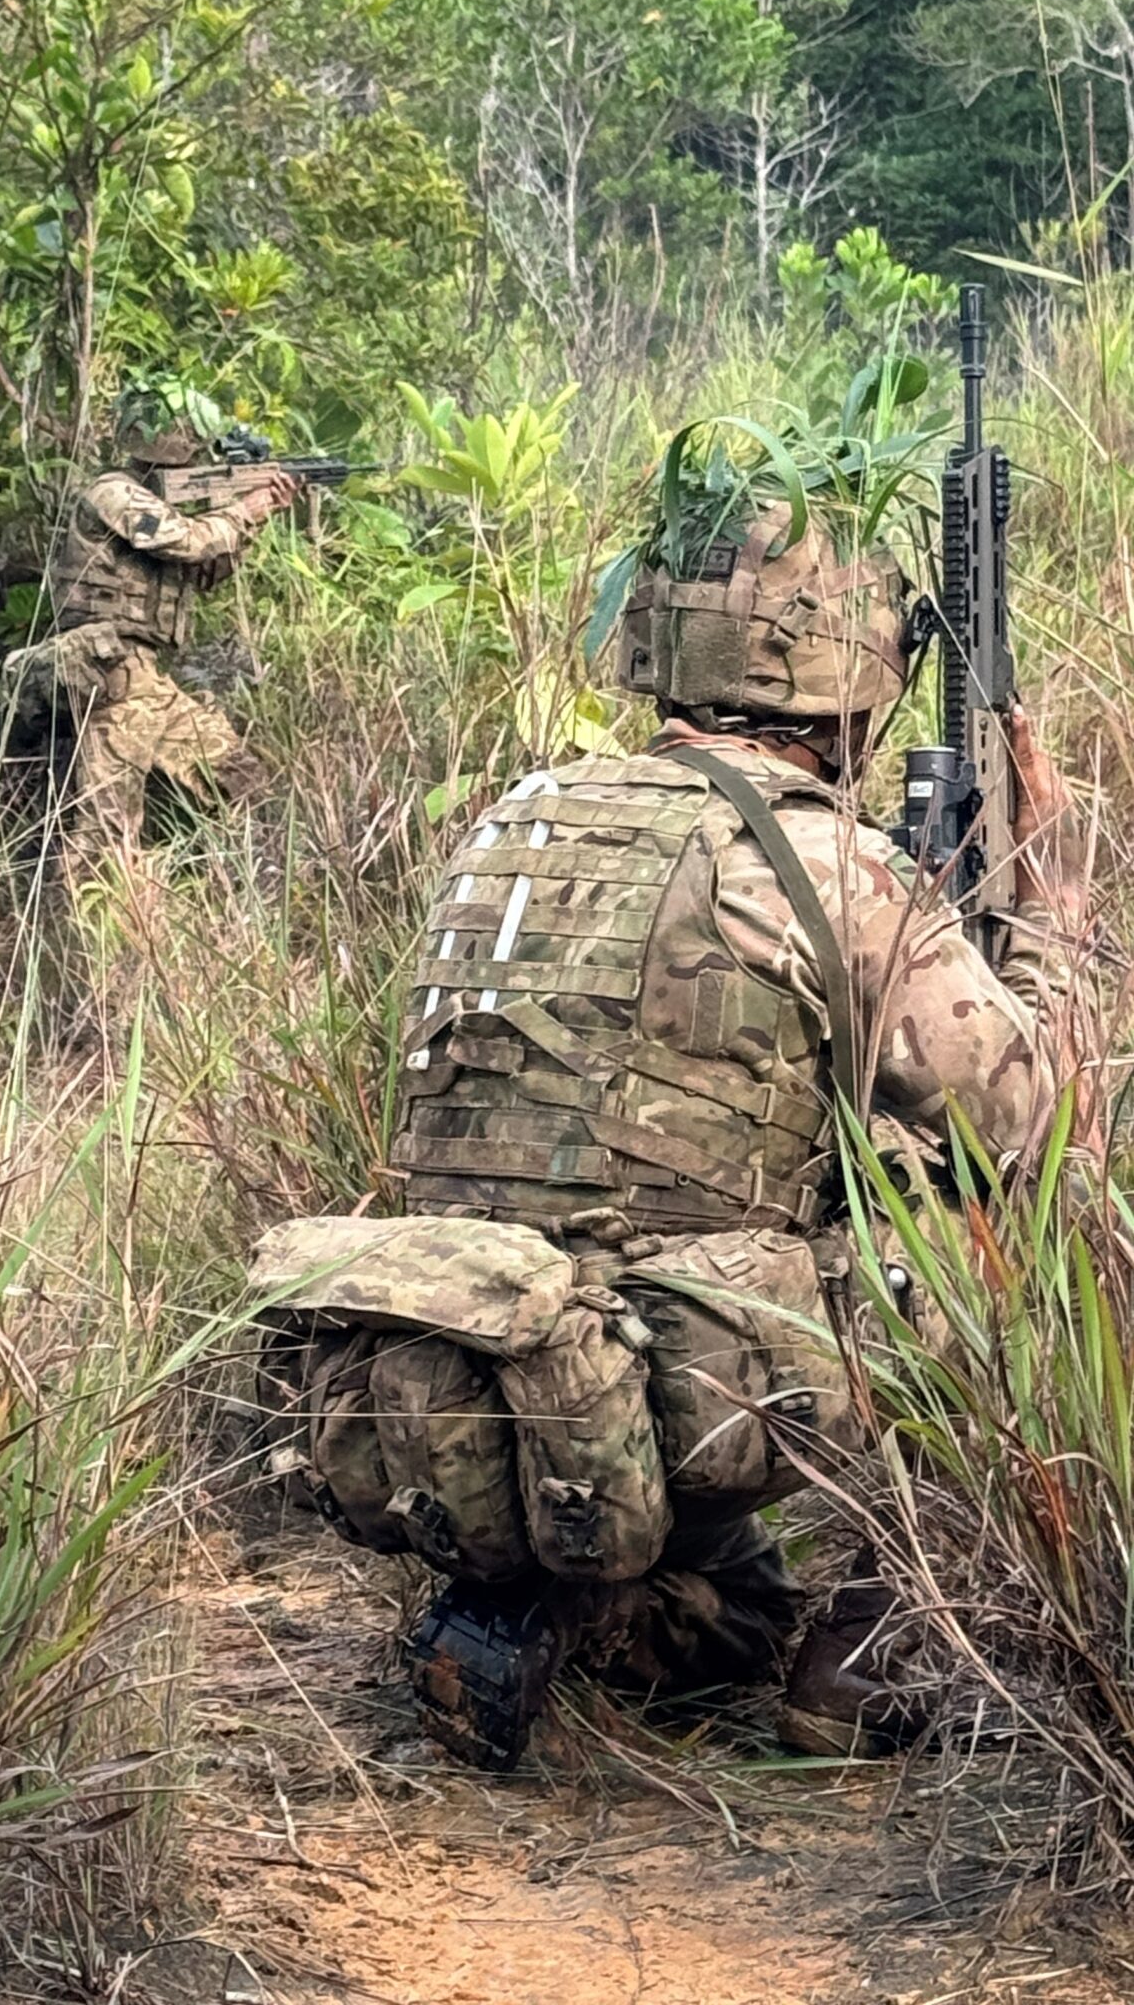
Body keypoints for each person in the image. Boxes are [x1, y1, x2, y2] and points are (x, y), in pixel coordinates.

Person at [375, 494, 1099, 1764]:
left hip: (446, 1374)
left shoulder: (517, 815)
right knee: (1019, 1226)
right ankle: (873, 1661)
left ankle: (543, 1598)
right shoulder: (820, 861)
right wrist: (1051, 919)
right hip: (663, 1371)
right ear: (848, 674)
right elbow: (1036, 1110)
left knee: (736, 1617)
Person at [5, 388, 298, 887]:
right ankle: (75, 947)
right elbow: (185, 540)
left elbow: (203, 573)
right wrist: (242, 509)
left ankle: (247, 893)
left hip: (146, 684)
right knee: (104, 836)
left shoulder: (158, 500)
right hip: (111, 677)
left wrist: (252, 518)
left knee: (241, 779)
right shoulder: (113, 493)